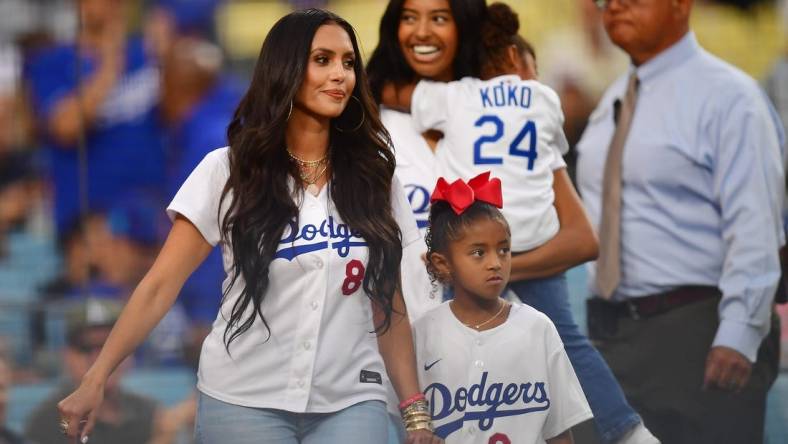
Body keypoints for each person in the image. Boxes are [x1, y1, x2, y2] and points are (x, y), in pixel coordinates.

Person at [56, 9, 441, 444]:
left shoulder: (376, 178)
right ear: (286, 69)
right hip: (242, 400)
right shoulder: (228, 170)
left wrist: (414, 414)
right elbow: (160, 285)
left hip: (351, 399)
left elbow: (388, 306)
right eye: (322, 60)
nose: (340, 75)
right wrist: (97, 376)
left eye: (348, 63)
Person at [367, 2, 656, 443]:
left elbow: (581, 241)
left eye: (440, 18)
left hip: (496, 374)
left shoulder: (499, 120)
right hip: (388, 367)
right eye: (409, 16)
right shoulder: (367, 127)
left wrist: (477, 271)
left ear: (467, 30)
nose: (423, 31)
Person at [575, 0, 785, 443]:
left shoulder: (731, 96)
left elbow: (755, 224)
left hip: (698, 329)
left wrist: (739, 334)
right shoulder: (612, 101)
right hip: (613, 334)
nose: (614, 5)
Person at [415, 172, 592, 443]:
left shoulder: (537, 327)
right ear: (442, 263)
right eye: (478, 252)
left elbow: (560, 430)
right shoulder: (423, 331)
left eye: (503, 250)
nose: (495, 262)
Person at [24, 0, 165, 237]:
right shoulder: (52, 61)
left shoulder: (148, 53)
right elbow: (66, 126)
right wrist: (110, 67)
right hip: (89, 223)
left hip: (152, 212)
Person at [24, 299, 163, 444]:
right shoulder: (50, 420)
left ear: (129, 354)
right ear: (67, 355)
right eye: (85, 348)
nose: (97, 359)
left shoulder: (149, 413)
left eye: (108, 347)